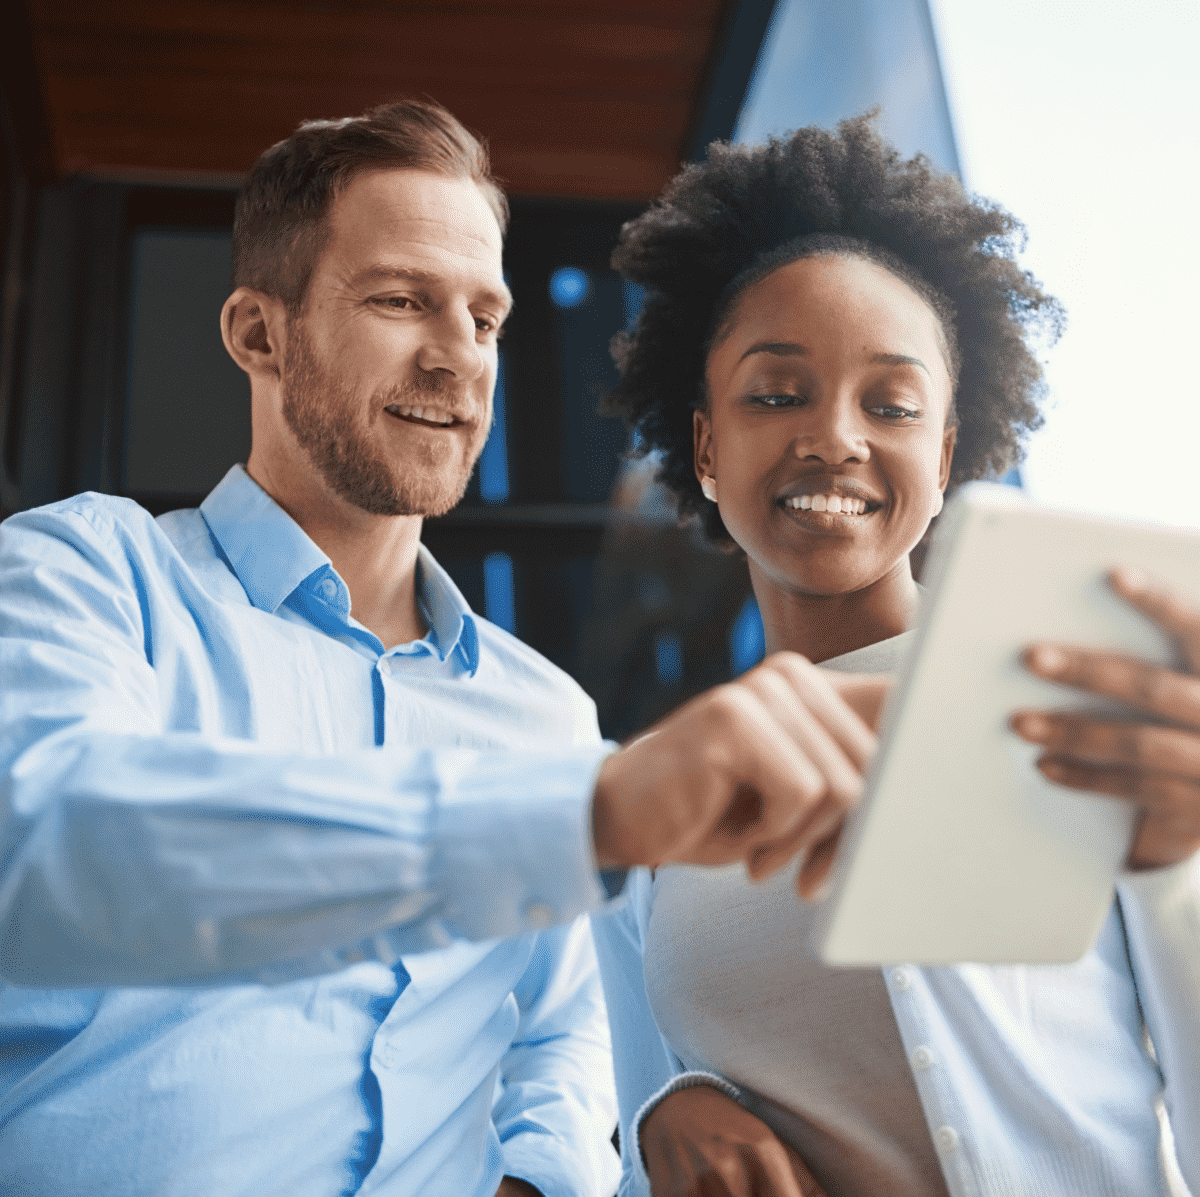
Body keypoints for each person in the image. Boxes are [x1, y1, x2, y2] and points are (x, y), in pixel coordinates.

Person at [0, 102, 884, 1196]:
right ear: (258, 334)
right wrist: (584, 816)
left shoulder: (547, 717)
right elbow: (50, 850)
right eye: (401, 300)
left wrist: (537, 1176)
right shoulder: (85, 574)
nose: (457, 359)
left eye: (485, 318)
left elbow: (562, 1031)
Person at [590, 116, 1200, 1197]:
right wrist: (659, 1117)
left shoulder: (1069, 708)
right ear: (705, 447)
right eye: (776, 393)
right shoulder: (658, 814)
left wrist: (1177, 862)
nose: (834, 436)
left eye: (893, 403)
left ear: (948, 449)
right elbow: (621, 1125)